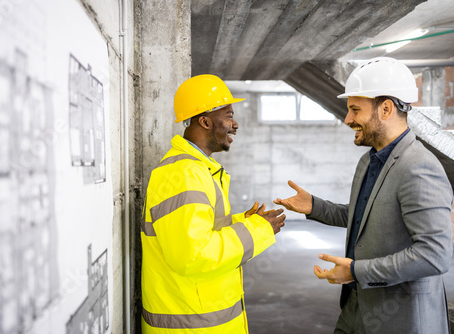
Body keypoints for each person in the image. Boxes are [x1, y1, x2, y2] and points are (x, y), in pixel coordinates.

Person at [274, 57, 453, 334]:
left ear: (385, 109)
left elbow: (435, 255)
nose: (348, 119)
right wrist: (315, 206)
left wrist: (357, 271)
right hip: (357, 307)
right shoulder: (369, 161)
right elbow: (367, 217)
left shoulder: (419, 166)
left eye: (355, 110)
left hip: (401, 317)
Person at [141, 74, 286, 333]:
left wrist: (246, 221)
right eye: (228, 115)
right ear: (205, 121)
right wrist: (259, 230)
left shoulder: (196, 170)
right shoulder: (183, 174)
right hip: (192, 325)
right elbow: (193, 255)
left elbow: (202, 230)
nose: (235, 124)